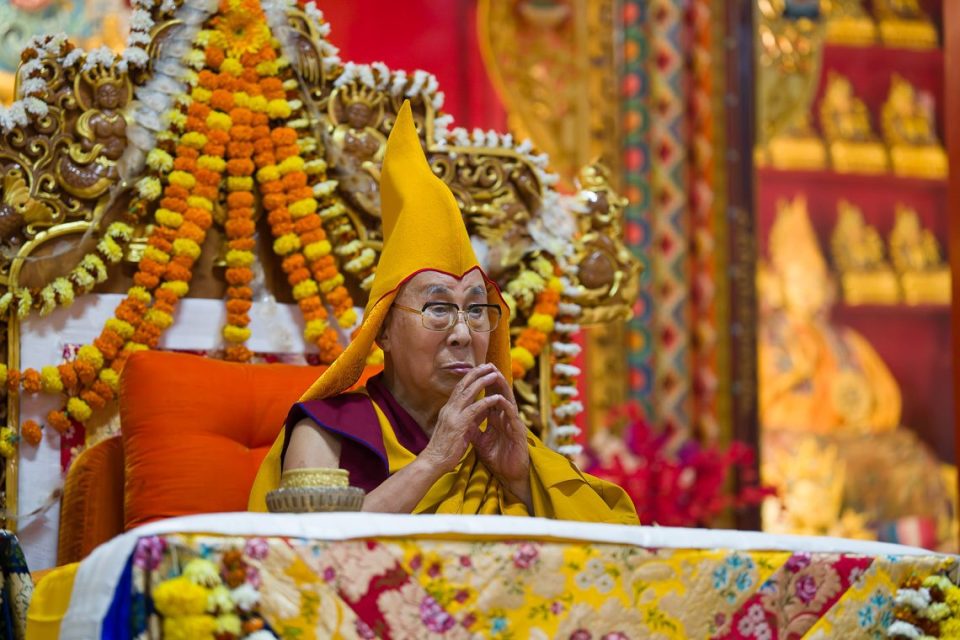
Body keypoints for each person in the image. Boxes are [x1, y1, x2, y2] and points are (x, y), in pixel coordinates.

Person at [248, 101, 638, 523]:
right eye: (437, 308)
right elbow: (302, 552)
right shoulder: (329, 429)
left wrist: (521, 481)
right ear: (383, 332)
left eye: (476, 310)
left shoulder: (500, 440)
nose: (462, 333)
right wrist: (433, 461)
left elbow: (615, 550)